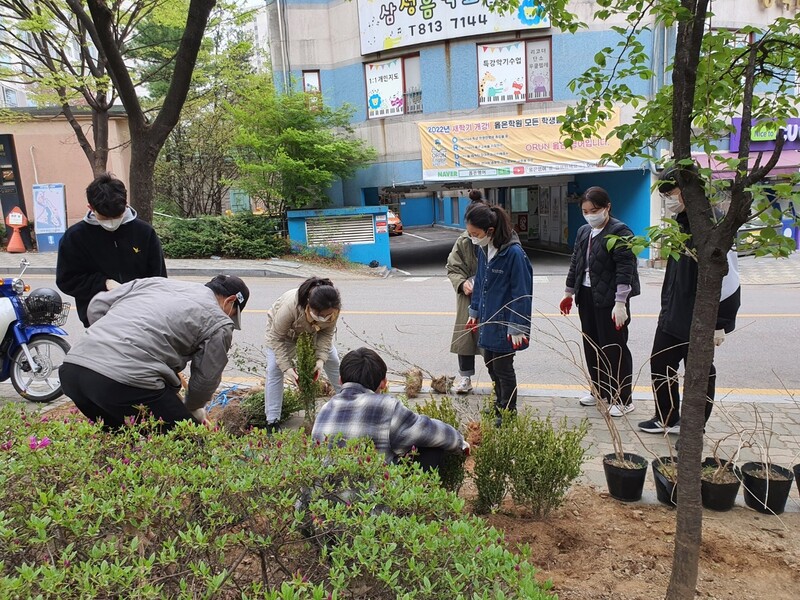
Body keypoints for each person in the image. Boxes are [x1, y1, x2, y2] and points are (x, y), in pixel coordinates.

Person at [59, 274, 249, 430]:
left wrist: (110, 339)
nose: (229, 320)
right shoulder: (219, 322)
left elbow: (97, 306)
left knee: (123, 437)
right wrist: (192, 410)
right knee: (188, 442)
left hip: (73, 371)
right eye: (233, 314)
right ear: (231, 301)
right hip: (123, 381)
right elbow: (205, 381)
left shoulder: (156, 283)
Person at [638, 165, 741, 434]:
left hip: (699, 315)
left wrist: (721, 321)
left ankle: (695, 423)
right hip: (673, 313)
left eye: (671, 192)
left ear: (689, 191)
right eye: (665, 195)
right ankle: (667, 416)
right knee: (661, 363)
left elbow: (729, 278)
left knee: (700, 371)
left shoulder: (713, 227)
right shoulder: (681, 227)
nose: (668, 200)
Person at [312, 347, 468, 466]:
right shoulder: (386, 407)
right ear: (384, 383)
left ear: (340, 380)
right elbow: (430, 431)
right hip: (371, 503)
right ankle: (413, 503)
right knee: (430, 449)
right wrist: (461, 443)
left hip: (325, 502)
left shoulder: (326, 408)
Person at [560, 187, 640, 417]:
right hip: (586, 296)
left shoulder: (620, 231)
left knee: (614, 348)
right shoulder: (585, 231)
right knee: (592, 346)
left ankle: (623, 399)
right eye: (585, 211)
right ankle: (600, 390)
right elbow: (576, 263)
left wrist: (621, 302)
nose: (589, 214)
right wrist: (568, 292)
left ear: (607, 207)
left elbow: (626, 269)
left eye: (594, 210)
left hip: (611, 301)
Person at [56, 173, 167, 327]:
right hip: (99, 319)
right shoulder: (75, 237)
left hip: (142, 316)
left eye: (117, 216)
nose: (111, 222)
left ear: (126, 205)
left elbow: (159, 278)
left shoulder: (144, 232)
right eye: (104, 217)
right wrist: (103, 283)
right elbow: (67, 279)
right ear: (91, 208)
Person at [464, 203, 533, 425]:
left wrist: (517, 327)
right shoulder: (485, 249)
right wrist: (474, 312)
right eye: (470, 234)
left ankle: (508, 412)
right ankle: (498, 404)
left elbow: (522, 293)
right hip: (488, 320)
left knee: (504, 369)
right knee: (491, 365)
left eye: (476, 234)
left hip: (505, 324)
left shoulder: (514, 253)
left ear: (490, 230)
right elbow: (480, 282)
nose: (473, 238)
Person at [264, 277, 342, 432]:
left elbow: (326, 334)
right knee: (274, 369)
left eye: (328, 316)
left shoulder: (333, 308)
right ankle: (272, 421)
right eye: (320, 316)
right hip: (284, 336)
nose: (325, 319)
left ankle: (348, 400)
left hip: (313, 333)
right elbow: (276, 338)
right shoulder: (290, 308)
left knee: (332, 359)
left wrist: (320, 359)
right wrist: (287, 368)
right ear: (309, 305)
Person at [445, 190, 485, 394]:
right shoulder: (463, 240)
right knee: (465, 338)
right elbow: (453, 267)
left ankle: (500, 380)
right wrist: (462, 284)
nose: (472, 235)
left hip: (490, 297)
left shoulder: (502, 240)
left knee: (492, 338)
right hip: (467, 297)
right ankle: (465, 378)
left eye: (475, 232)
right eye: (469, 230)